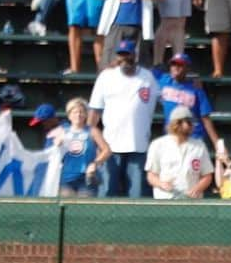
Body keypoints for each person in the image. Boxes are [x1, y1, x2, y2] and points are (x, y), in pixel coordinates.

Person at [88, 39, 160, 198]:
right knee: (106, 193)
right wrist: (90, 142)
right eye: (121, 55)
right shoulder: (106, 77)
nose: (124, 58)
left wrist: (191, 80)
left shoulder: (148, 77)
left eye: (127, 54)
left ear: (135, 55)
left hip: (138, 145)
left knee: (137, 195)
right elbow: (94, 112)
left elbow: (165, 94)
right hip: (109, 147)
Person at [144, 104, 214, 200]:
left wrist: (197, 188)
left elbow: (207, 175)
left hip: (191, 200)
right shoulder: (158, 145)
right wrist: (161, 184)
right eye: (187, 122)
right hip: (165, 198)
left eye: (191, 122)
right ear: (176, 123)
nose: (190, 126)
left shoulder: (199, 146)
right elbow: (151, 175)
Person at [156, 52, 222, 149]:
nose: (176, 67)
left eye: (180, 65)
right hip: (172, 136)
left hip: (193, 138)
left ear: (188, 68)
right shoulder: (164, 81)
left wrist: (217, 145)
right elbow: (146, 71)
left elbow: (205, 117)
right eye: (173, 64)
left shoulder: (196, 88)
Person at [55, 97, 105, 196]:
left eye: (81, 112)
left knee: (84, 208)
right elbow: (53, 152)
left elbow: (106, 150)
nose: (78, 115)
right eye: (75, 112)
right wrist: (57, 144)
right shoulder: (62, 131)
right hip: (66, 178)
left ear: (86, 114)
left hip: (86, 177)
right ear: (69, 115)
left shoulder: (93, 131)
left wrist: (95, 163)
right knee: (66, 207)